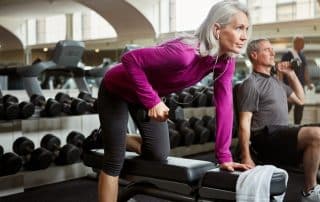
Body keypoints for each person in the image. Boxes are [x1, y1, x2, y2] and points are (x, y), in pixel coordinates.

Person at [97, 1, 251, 201]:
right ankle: (114, 140)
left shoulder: (225, 61)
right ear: (217, 29)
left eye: (247, 29)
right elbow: (130, 59)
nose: (245, 36)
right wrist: (152, 101)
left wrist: (224, 156)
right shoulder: (184, 54)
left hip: (144, 95)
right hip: (116, 89)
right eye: (239, 28)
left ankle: (115, 137)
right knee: (113, 161)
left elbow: (224, 106)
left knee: (159, 154)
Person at [236, 38, 320, 202]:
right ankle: (310, 192)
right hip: (265, 136)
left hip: (282, 134)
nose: (273, 52)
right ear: (254, 55)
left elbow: (300, 100)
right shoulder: (251, 84)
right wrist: (246, 156)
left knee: (317, 133)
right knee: (316, 133)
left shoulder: (277, 82)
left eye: (272, 49)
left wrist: (291, 74)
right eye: (267, 49)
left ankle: (312, 186)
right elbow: (244, 123)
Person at [281, 36, 314, 124]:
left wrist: (308, 83)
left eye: (303, 42)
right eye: (301, 42)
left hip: (300, 86)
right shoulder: (288, 54)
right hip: (289, 86)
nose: (303, 44)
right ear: (295, 43)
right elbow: (281, 70)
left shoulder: (302, 56)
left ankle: (297, 126)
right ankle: (279, 124)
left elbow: (305, 71)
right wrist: (280, 84)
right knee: (286, 107)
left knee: (300, 106)